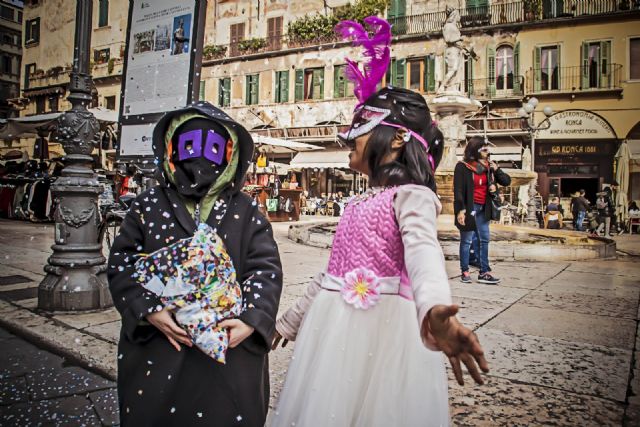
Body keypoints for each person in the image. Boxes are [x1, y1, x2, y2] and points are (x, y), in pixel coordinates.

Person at [270, 82, 488, 426]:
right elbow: (332, 274)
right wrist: (290, 321)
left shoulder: (412, 196)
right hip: (333, 331)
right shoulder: (355, 203)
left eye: (362, 125)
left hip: (384, 333)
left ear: (398, 138)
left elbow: (424, 253)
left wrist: (434, 310)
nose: (348, 136)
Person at [107, 102, 283, 426]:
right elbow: (122, 262)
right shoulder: (147, 205)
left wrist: (251, 320)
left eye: (213, 147)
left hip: (229, 355)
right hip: (160, 349)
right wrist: (147, 309)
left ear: (228, 155)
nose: (199, 158)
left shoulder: (246, 211)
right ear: (172, 150)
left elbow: (265, 268)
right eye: (188, 145)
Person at [454, 137, 511, 285]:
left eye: (488, 149)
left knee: (484, 239)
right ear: (475, 150)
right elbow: (458, 190)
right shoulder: (463, 166)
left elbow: (506, 181)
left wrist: (497, 169)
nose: (488, 152)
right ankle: (465, 271)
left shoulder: (488, 167)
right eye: (484, 149)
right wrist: (460, 210)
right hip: (469, 208)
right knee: (466, 241)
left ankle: (484, 272)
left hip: (483, 208)